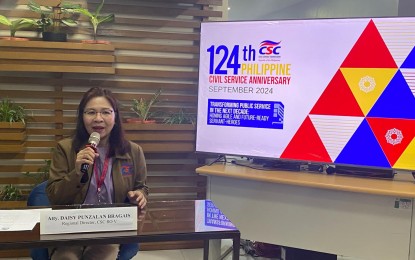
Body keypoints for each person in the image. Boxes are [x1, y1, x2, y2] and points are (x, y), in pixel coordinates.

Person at [46, 87, 148, 260]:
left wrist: (139, 195)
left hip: (109, 225)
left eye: (106, 112)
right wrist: (77, 173)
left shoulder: (133, 151)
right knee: (66, 258)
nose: (98, 119)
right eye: (91, 112)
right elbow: (55, 197)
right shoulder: (65, 148)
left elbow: (141, 187)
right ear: (82, 117)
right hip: (71, 225)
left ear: (115, 117)